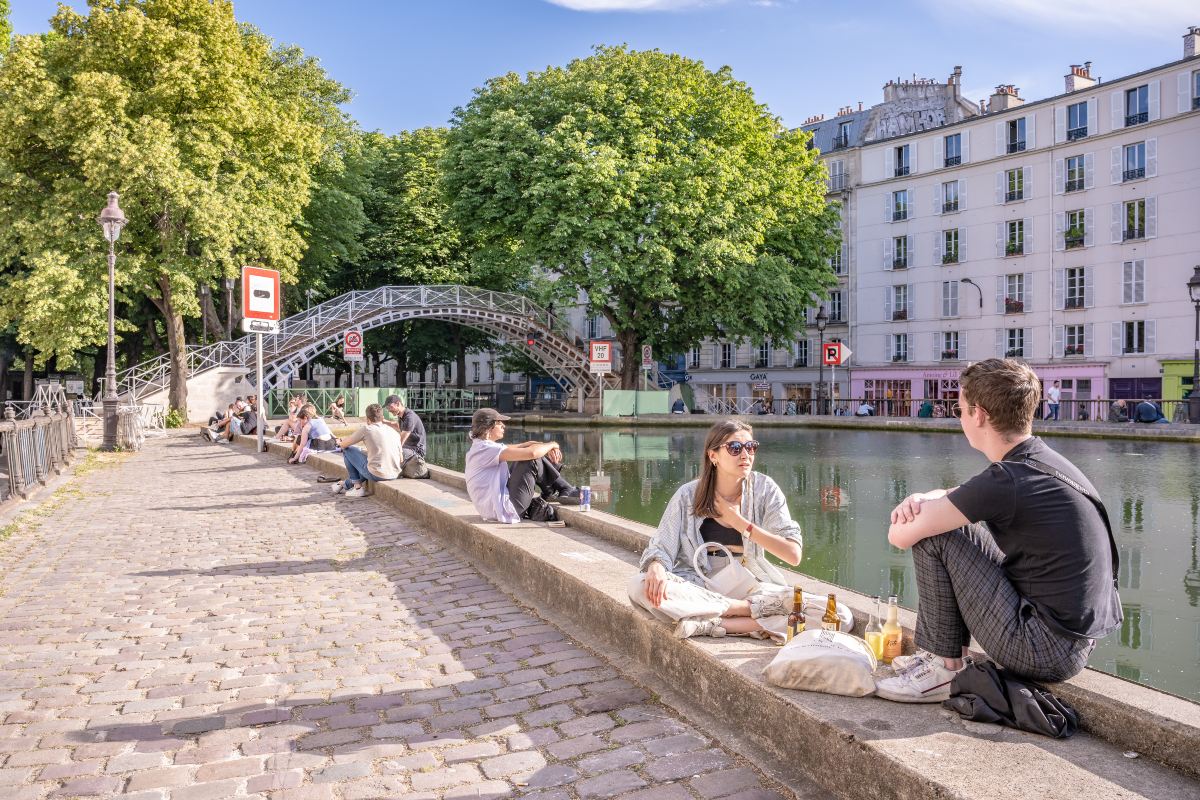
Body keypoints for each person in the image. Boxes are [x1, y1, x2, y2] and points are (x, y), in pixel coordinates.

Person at [875, 359, 1121, 703]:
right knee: (954, 524)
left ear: (979, 414)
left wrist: (916, 511)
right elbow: (955, 495)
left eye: (959, 409)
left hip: (1042, 649)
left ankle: (941, 669)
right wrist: (921, 498)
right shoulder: (1039, 461)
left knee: (936, 534)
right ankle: (942, 657)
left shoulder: (1006, 480)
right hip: (1073, 642)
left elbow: (899, 537)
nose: (958, 417)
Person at [628, 419, 804, 640]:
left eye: (751, 447)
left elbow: (793, 554)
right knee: (639, 586)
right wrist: (656, 566)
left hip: (748, 582)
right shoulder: (687, 495)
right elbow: (662, 546)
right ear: (713, 456)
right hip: (698, 580)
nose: (745, 455)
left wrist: (740, 523)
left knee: (838, 615)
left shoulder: (765, 489)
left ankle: (714, 622)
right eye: (734, 448)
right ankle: (744, 615)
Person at [464, 408, 581, 523]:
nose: (504, 426)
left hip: (495, 508)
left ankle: (555, 490)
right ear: (488, 428)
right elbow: (532, 453)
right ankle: (562, 489)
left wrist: (549, 447)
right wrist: (553, 443)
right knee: (531, 460)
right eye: (499, 423)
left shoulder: (481, 447)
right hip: (504, 510)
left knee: (524, 456)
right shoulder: (486, 449)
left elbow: (526, 446)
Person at [332, 403, 402, 498]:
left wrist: (339, 442)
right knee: (367, 462)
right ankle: (345, 484)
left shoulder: (367, 429)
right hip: (394, 474)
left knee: (348, 449)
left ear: (367, 419)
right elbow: (400, 458)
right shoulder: (394, 432)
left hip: (378, 474)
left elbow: (344, 445)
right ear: (382, 417)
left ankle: (357, 488)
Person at [382, 394, 430, 478]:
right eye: (387, 408)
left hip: (416, 451)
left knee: (391, 451)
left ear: (398, 404)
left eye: (390, 407)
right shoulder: (402, 416)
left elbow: (401, 441)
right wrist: (384, 421)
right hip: (409, 448)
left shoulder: (409, 417)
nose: (389, 410)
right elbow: (397, 425)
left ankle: (390, 473)